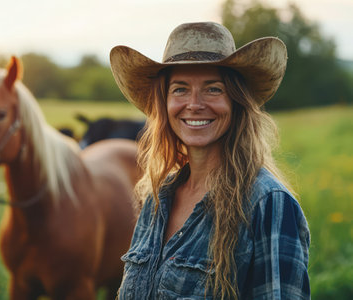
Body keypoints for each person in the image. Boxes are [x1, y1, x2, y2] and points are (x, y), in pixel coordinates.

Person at [110, 22, 310, 299]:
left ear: (236, 102)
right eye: (179, 89)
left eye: (213, 89)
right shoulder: (157, 197)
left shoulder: (267, 203)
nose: (194, 104)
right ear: (164, 105)